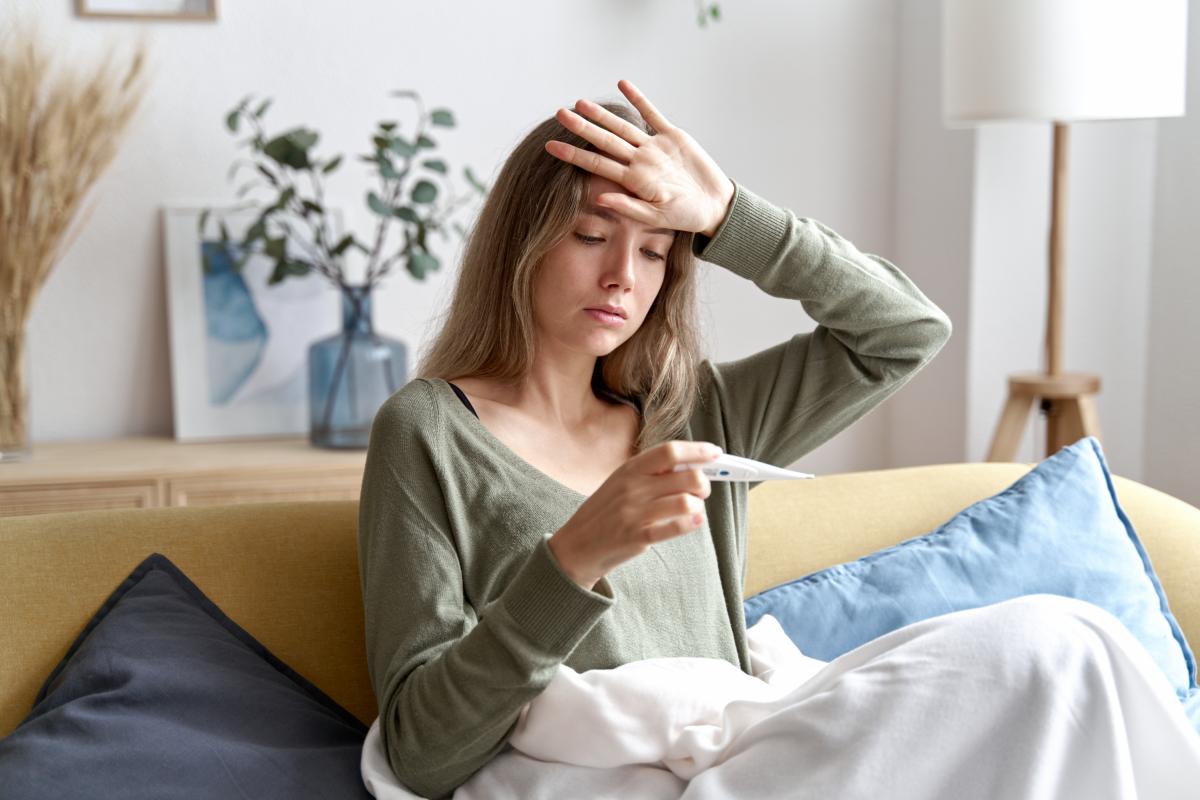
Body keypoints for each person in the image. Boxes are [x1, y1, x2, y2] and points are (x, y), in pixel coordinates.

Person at [357, 78, 1142, 799]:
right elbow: (422, 751)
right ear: (521, 243)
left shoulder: (696, 413)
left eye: (655, 250)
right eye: (592, 235)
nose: (624, 274)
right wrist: (571, 561)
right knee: (1051, 649)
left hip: (748, 758)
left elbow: (905, 332)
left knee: (1072, 645)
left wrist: (728, 214)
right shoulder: (429, 431)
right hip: (616, 781)